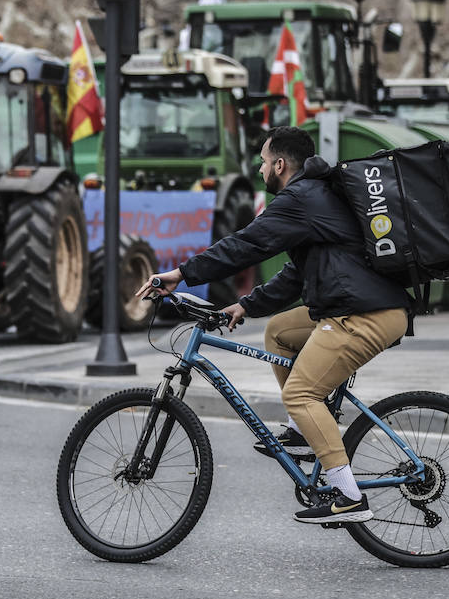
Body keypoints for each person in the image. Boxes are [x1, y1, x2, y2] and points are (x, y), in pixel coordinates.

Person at [136, 126, 411, 525]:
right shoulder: (313, 196)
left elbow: (246, 244)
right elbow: (297, 276)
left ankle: (350, 496)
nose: (260, 168)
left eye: (263, 161)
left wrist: (182, 273)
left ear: (280, 164)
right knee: (280, 332)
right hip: (359, 304)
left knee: (300, 393)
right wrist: (245, 306)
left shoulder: (299, 198)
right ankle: (307, 430)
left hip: (363, 313)